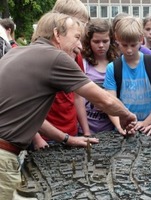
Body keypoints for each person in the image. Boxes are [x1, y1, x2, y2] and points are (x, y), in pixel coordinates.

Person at [0, 12, 136, 199]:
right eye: (77, 38)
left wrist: (66, 139)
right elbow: (103, 99)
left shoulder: (16, 52)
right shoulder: (54, 57)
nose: (80, 46)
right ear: (57, 35)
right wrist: (127, 115)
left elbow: (29, 117)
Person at [31, 0, 92, 149]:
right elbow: (27, 106)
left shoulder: (75, 54)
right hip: (46, 135)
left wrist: (86, 131)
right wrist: (37, 139)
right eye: (78, 22)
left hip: (71, 131)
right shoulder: (37, 56)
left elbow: (78, 96)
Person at [103, 16, 151, 135]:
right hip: (124, 126)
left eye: (133, 45)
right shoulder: (113, 68)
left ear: (141, 39)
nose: (129, 50)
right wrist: (120, 126)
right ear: (117, 40)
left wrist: (147, 122)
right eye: (124, 45)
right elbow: (110, 102)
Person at [81, 18, 124, 134]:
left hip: (111, 127)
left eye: (105, 41)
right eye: (96, 41)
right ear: (89, 41)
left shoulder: (117, 63)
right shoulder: (83, 63)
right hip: (86, 126)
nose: (101, 45)